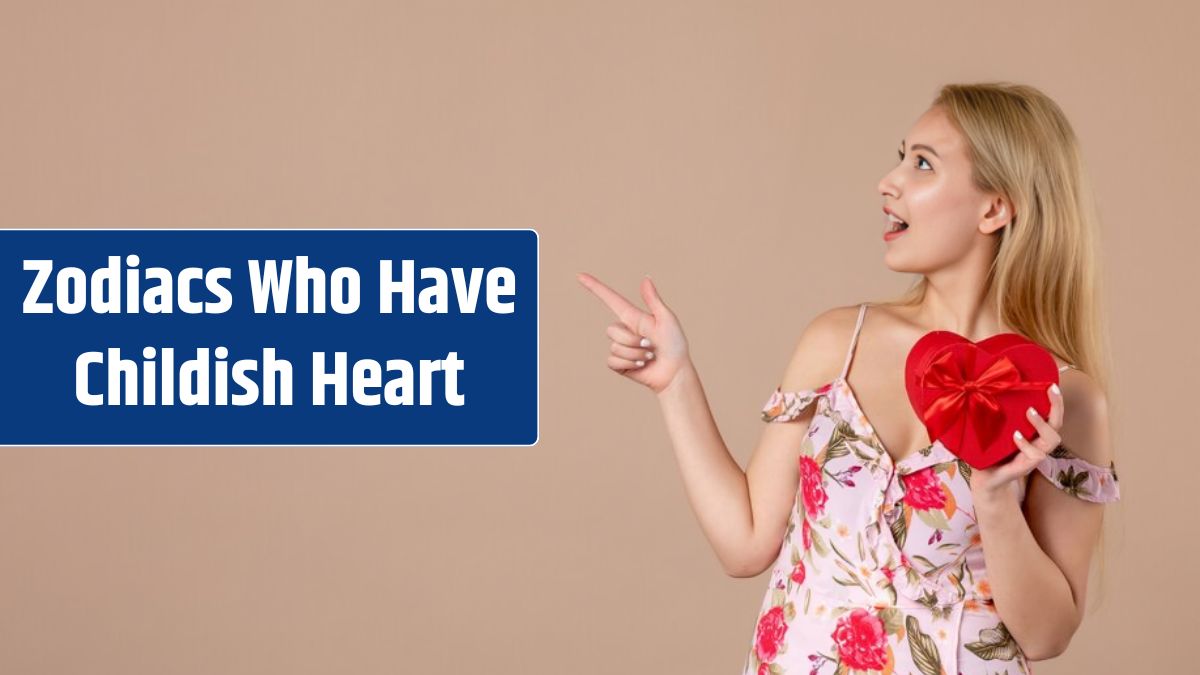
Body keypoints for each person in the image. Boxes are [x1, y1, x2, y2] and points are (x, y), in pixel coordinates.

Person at [576, 82, 1121, 674]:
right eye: (901, 156)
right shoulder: (838, 342)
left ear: (994, 208)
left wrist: (995, 500)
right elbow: (746, 542)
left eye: (922, 164)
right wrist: (674, 380)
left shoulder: (1065, 397)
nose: (888, 182)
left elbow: (1045, 636)